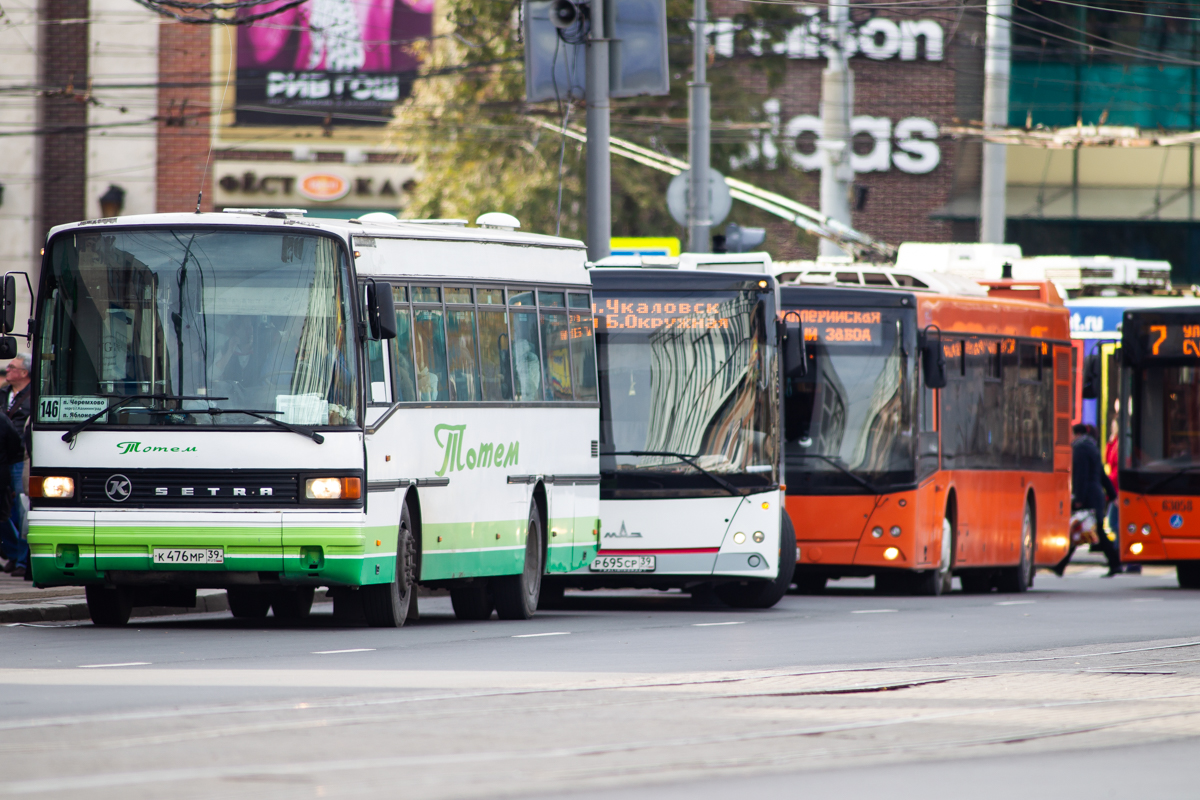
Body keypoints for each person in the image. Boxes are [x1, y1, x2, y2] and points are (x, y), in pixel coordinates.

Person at [1071, 422, 1121, 577]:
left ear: (1076, 434)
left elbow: (1081, 476)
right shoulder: (1091, 447)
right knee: (1083, 529)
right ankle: (1115, 563)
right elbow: (1101, 474)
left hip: (1088, 496)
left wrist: (1078, 498)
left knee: (1088, 530)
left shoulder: (1080, 449)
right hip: (1096, 495)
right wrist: (1113, 496)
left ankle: (1115, 562)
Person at [0, 354, 30, 577]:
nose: (7, 370)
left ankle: (22, 559)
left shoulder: (33, 395)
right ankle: (11, 553)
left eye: (12, 367)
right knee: (5, 511)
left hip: (20, 457)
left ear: (24, 372)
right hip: (4, 456)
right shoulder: (3, 394)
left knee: (21, 508)